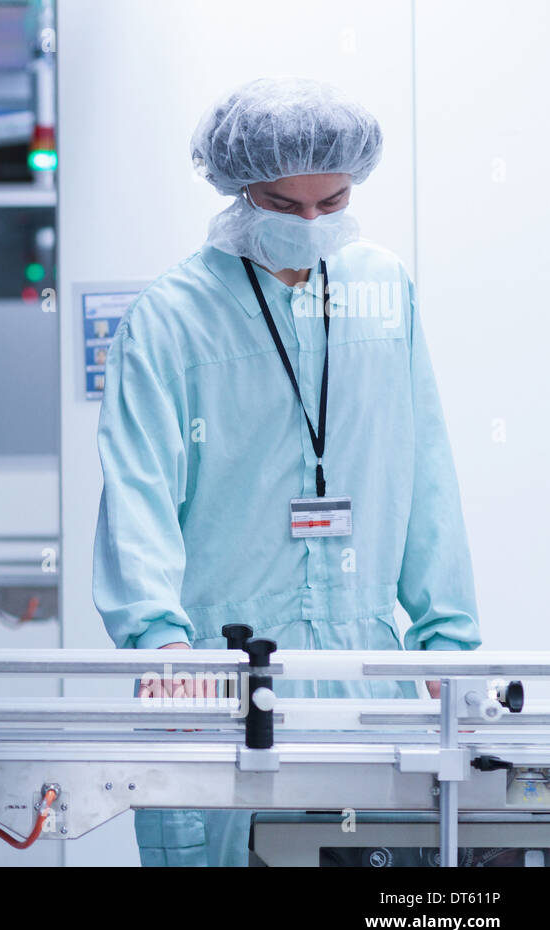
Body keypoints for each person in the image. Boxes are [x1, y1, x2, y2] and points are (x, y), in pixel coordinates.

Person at [91, 76, 481, 867]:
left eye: (331, 204)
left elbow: (426, 466)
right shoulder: (170, 317)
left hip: (366, 674)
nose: (311, 224)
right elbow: (138, 491)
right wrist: (161, 646)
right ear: (240, 191)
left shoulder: (382, 290)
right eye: (284, 205)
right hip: (220, 675)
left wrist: (448, 643)